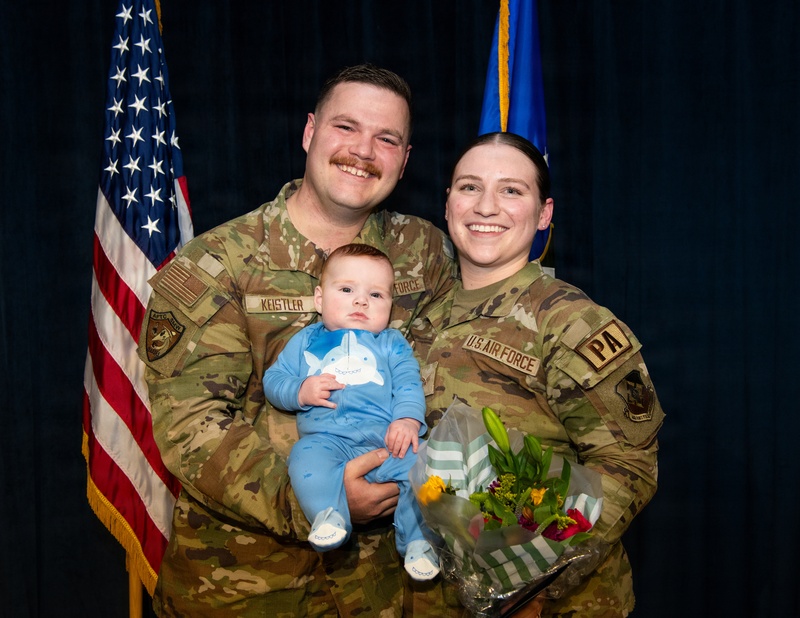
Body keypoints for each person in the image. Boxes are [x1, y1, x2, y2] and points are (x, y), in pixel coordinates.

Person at [138, 64, 458, 616]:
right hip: (248, 583)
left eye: (387, 139)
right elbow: (191, 426)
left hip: (393, 587)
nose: (363, 151)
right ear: (310, 132)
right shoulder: (216, 265)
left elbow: (448, 382)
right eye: (346, 127)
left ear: (405, 161)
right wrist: (318, 501)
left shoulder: (424, 253)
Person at [410, 132, 664, 618]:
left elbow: (629, 468)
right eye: (469, 187)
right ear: (447, 204)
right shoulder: (416, 313)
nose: (486, 206)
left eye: (511, 190)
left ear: (544, 213)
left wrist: (530, 583)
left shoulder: (571, 323)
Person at [262, 243, 439, 581]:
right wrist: (300, 390)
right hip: (328, 442)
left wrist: (406, 419)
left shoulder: (391, 343)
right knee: (303, 458)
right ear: (319, 298)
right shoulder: (305, 341)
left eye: (376, 295)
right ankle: (329, 515)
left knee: (427, 466)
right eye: (346, 290)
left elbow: (407, 383)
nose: (361, 301)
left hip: (387, 442)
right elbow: (274, 380)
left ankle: (419, 542)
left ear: (390, 305)